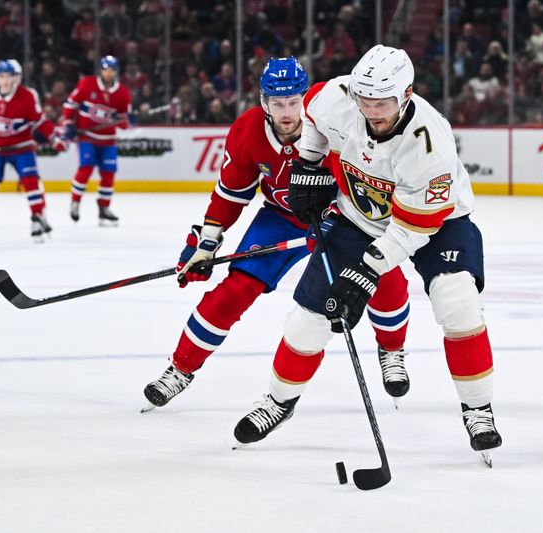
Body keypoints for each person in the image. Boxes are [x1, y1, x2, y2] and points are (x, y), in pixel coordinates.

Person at [233, 45, 502, 465]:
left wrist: (366, 271)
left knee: (458, 303)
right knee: (309, 318)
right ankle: (278, 401)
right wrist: (308, 161)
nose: (371, 111)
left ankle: (477, 409)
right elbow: (316, 126)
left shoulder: (430, 146)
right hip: (358, 216)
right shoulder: (335, 98)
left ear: (406, 95)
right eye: (365, 101)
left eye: (382, 103)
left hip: (437, 223)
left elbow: (414, 228)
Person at [142, 57, 413, 411]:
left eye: (294, 102)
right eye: (277, 103)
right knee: (234, 291)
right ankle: (180, 368)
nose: (287, 112)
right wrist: (207, 242)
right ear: (263, 102)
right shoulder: (247, 131)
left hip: (343, 218)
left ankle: (392, 350)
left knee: (384, 278)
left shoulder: (334, 119)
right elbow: (230, 193)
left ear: (306, 98)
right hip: (281, 219)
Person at [0, 59, 67, 242]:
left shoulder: (27, 96)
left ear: (17, 78)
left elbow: (40, 121)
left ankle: (38, 216)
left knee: (31, 182)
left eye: (11, 76)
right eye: (2, 76)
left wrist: (54, 137)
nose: (6, 80)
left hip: (22, 147)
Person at [62, 55, 132, 225]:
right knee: (85, 169)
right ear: (101, 70)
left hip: (108, 140)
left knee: (109, 173)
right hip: (87, 137)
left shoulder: (123, 93)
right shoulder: (87, 84)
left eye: (112, 70)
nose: (108, 73)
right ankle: (75, 202)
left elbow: (124, 123)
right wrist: (68, 123)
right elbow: (70, 105)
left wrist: (122, 120)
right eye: (106, 69)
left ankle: (104, 208)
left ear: (116, 72)